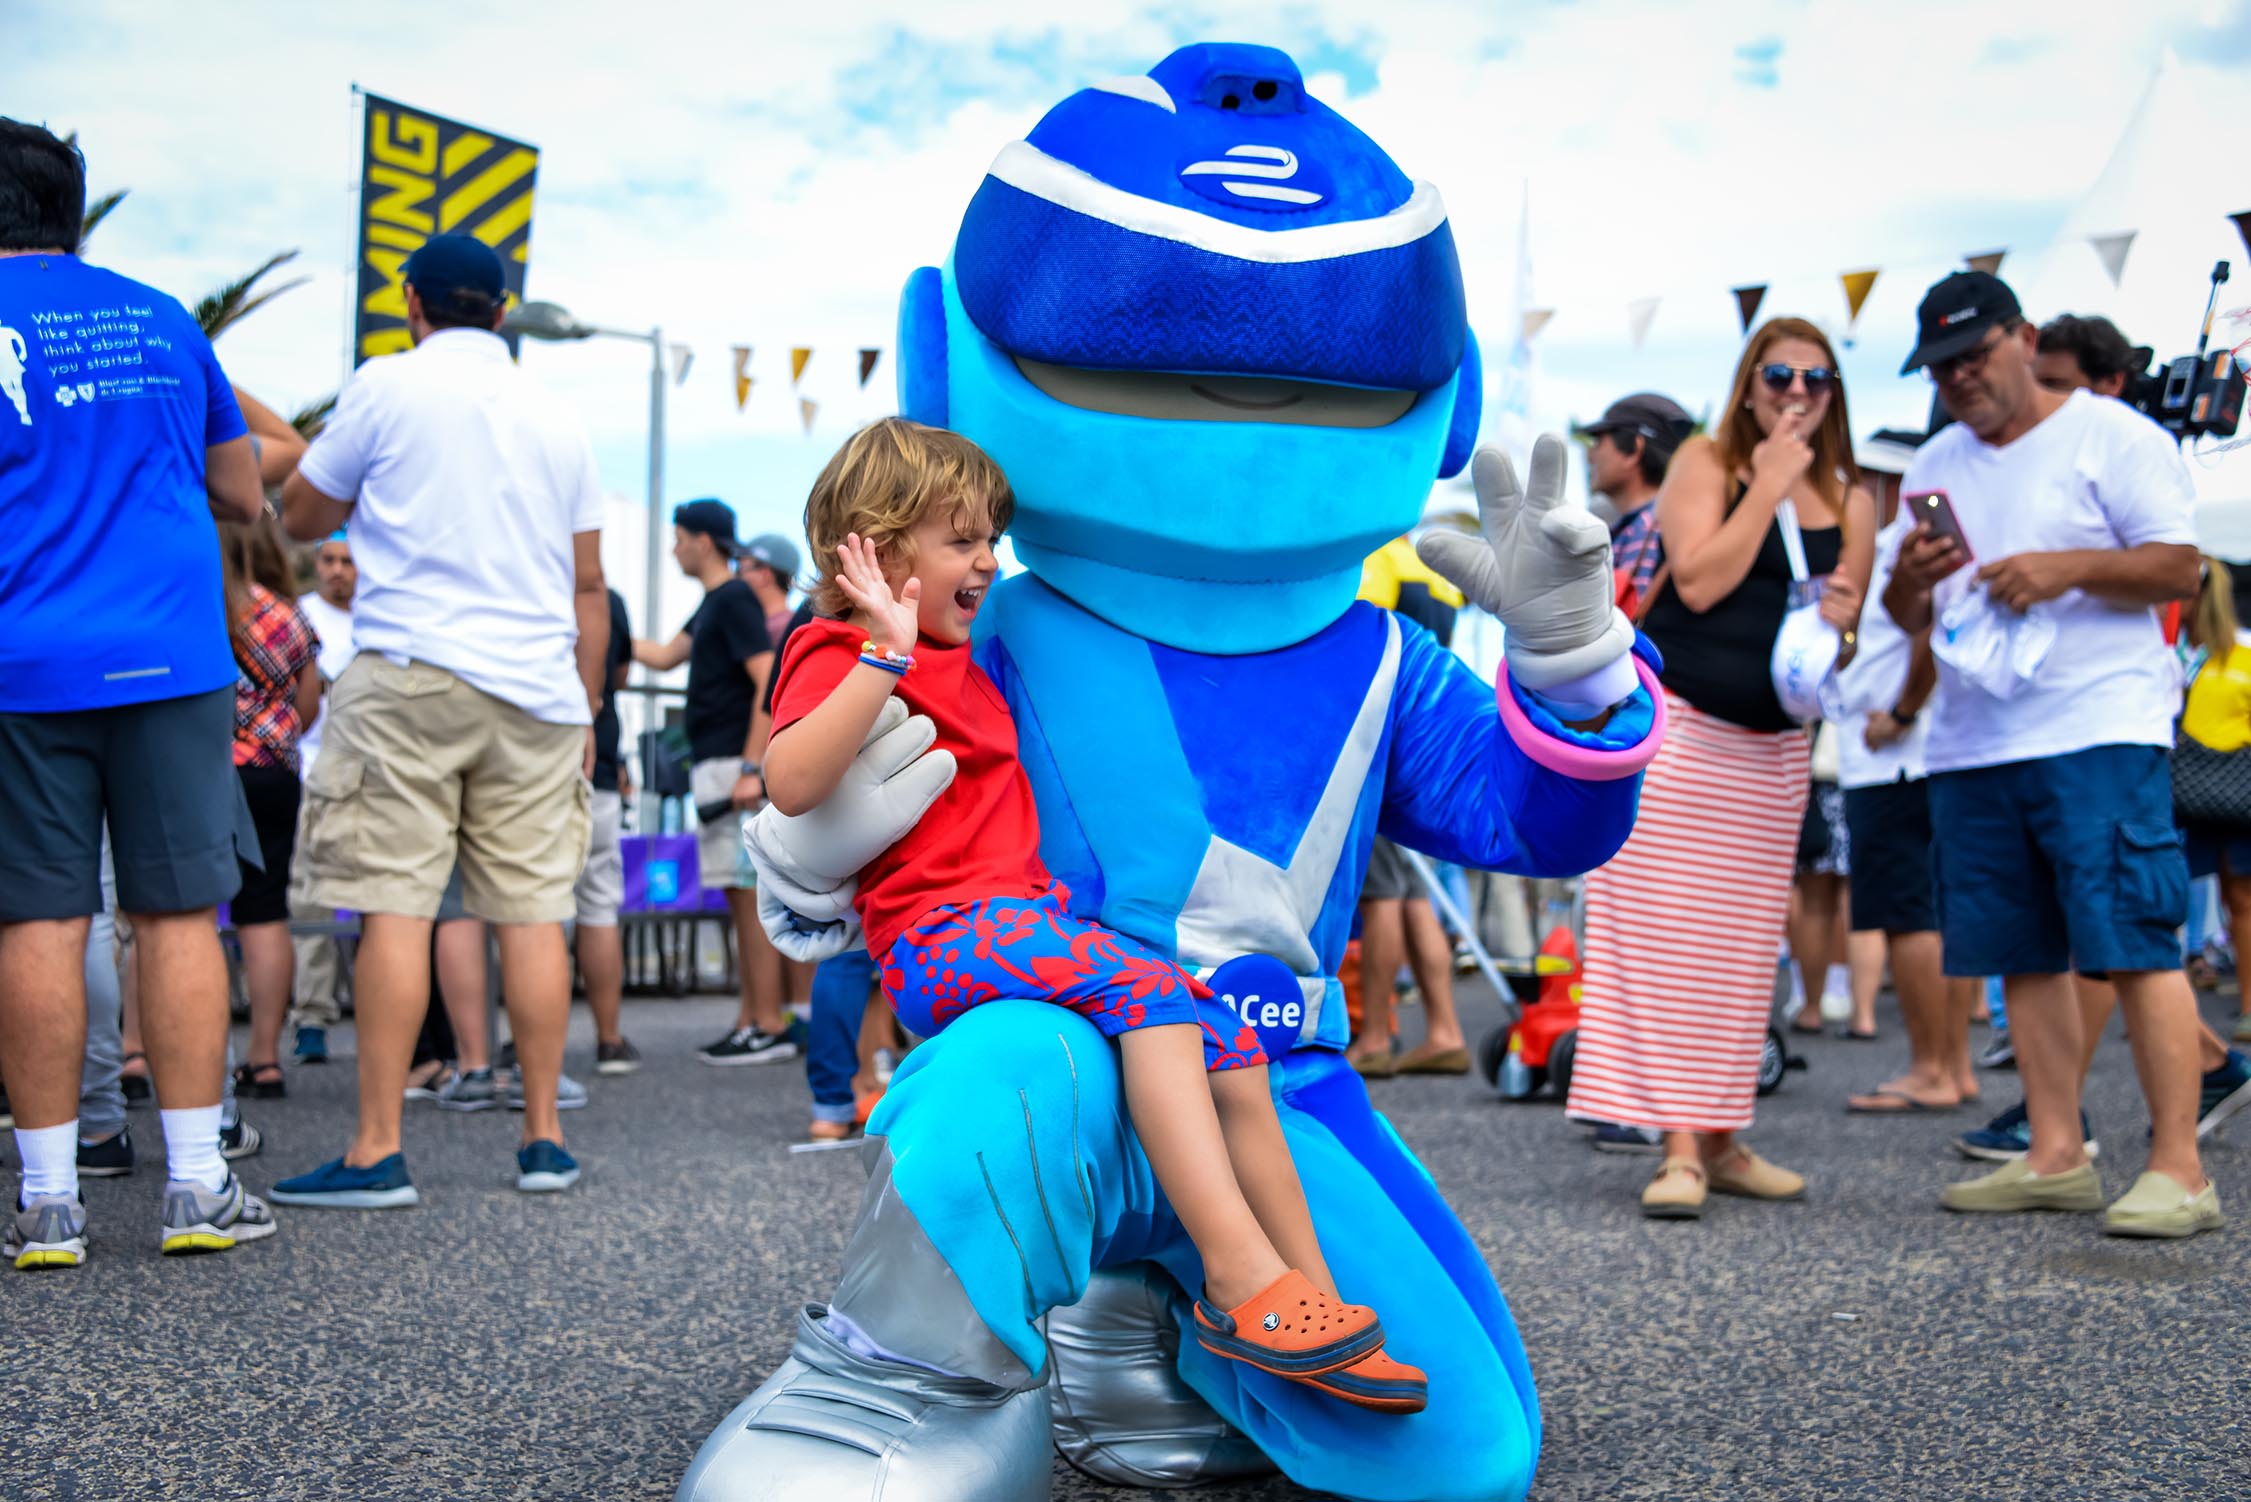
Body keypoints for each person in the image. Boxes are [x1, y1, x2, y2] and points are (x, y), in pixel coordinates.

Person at [765, 417, 1428, 1412]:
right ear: (875, 542)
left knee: (1231, 1043)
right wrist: (881, 659)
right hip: (943, 935)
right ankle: (1240, 1279)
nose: (988, 560)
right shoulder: (840, 645)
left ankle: (1313, 1303)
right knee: (1155, 1002)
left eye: (991, 537)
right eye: (961, 539)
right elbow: (790, 778)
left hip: (1013, 919)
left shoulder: (962, 651)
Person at [269, 232, 606, 1206]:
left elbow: (299, 515)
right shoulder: (557, 415)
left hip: (412, 673)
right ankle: (543, 1139)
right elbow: (589, 583)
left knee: (398, 905)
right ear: (502, 312)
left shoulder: (384, 386)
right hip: (538, 691)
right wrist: (584, 703)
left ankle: (378, 1148)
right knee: (534, 910)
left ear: (412, 301)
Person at [1885, 269, 2221, 1237]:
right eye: (1940, 366)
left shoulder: (2113, 433)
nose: (1957, 380)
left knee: (2133, 938)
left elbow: (2178, 567)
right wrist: (1910, 579)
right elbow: (1910, 616)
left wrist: (2062, 567)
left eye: (1972, 356)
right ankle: (2055, 1152)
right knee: (2017, 949)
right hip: (1973, 733)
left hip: (2096, 723)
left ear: (2021, 336)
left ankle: (2178, 1167)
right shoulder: (1931, 462)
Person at [0, 118, 280, 1265]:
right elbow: (242, 485)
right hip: (169, 656)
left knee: (38, 917)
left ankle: (49, 1202)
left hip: (21, 660)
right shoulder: (163, 316)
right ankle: (198, 1184)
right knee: (175, 912)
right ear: (71, 203)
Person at [1566, 315, 1876, 1219]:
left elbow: (1835, 651)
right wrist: (1767, 485)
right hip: (1686, 725)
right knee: (1664, 939)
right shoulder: (1705, 459)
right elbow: (1697, 581)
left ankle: (1727, 1132)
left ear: (1834, 396)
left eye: (1814, 380)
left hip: (1775, 742)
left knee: (1743, 949)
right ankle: (1677, 1149)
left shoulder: (1854, 496)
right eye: (1777, 375)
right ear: (1748, 384)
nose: (1794, 393)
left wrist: (1847, 621)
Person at [1832, 435, 1979, 1112]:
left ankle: (1932, 1068)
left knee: (1908, 915)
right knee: (1928, 913)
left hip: (1893, 758)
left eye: (1860, 476)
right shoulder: (1894, 543)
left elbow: (1929, 631)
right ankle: (1951, 1066)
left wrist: (1901, 708)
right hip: (1907, 758)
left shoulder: (1898, 543)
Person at [632, 499, 794, 1068]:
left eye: (678, 537)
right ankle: (750, 1018)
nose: (674, 547)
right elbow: (661, 657)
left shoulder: (733, 600)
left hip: (733, 763)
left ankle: (768, 1022)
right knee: (734, 892)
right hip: (714, 762)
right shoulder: (712, 605)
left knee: (749, 898)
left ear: (703, 541)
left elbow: (766, 681)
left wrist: (754, 767)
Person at [218, 515, 324, 1099]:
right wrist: (270, 735)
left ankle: (139, 1057)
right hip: (273, 773)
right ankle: (265, 1059)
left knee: (175, 915)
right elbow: (308, 706)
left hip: (203, 771)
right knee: (265, 913)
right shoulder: (289, 615)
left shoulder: (197, 602)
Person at [286, 528, 359, 1064]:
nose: (337, 569)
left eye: (348, 561)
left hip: (377, 775)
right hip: (313, 771)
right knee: (310, 894)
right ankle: (311, 1014)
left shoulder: (383, 615)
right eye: (328, 559)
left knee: (385, 900)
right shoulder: (301, 615)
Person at [2177, 560, 2251, 1051]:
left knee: (2239, 900)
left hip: (2227, 793)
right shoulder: (2184, 655)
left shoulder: (2233, 653)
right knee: (2230, 901)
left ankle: (2247, 1005)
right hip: (2205, 793)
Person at [578, 585, 638, 1073]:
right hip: (599, 754)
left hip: (532, 757)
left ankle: (527, 1043)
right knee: (599, 903)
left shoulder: (530, 579)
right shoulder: (608, 600)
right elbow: (621, 670)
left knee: (531, 909)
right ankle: (609, 1038)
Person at [1580, 391, 1695, 611]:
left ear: (1634, 449)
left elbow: (1627, 627)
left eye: (1598, 442)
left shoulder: (1649, 527)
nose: (1590, 455)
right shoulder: (1650, 523)